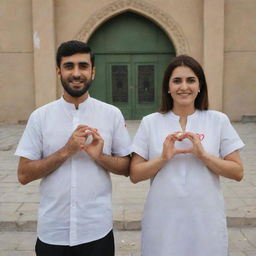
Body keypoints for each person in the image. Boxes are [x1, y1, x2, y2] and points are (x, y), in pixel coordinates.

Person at [15, 40, 131, 256]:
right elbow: (23, 174)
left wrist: (100, 156)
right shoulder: (40, 117)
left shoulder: (111, 114)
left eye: (83, 66)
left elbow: (126, 167)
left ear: (93, 72)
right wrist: (65, 151)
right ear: (59, 71)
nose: (76, 73)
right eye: (69, 66)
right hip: (53, 232)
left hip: (97, 231)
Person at [130, 55, 244, 256]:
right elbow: (135, 174)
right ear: (168, 87)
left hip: (205, 218)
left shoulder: (218, 120)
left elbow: (237, 172)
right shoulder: (151, 122)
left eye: (191, 80)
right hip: (163, 217)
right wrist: (163, 158)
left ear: (200, 86)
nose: (184, 87)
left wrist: (204, 156)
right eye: (177, 81)